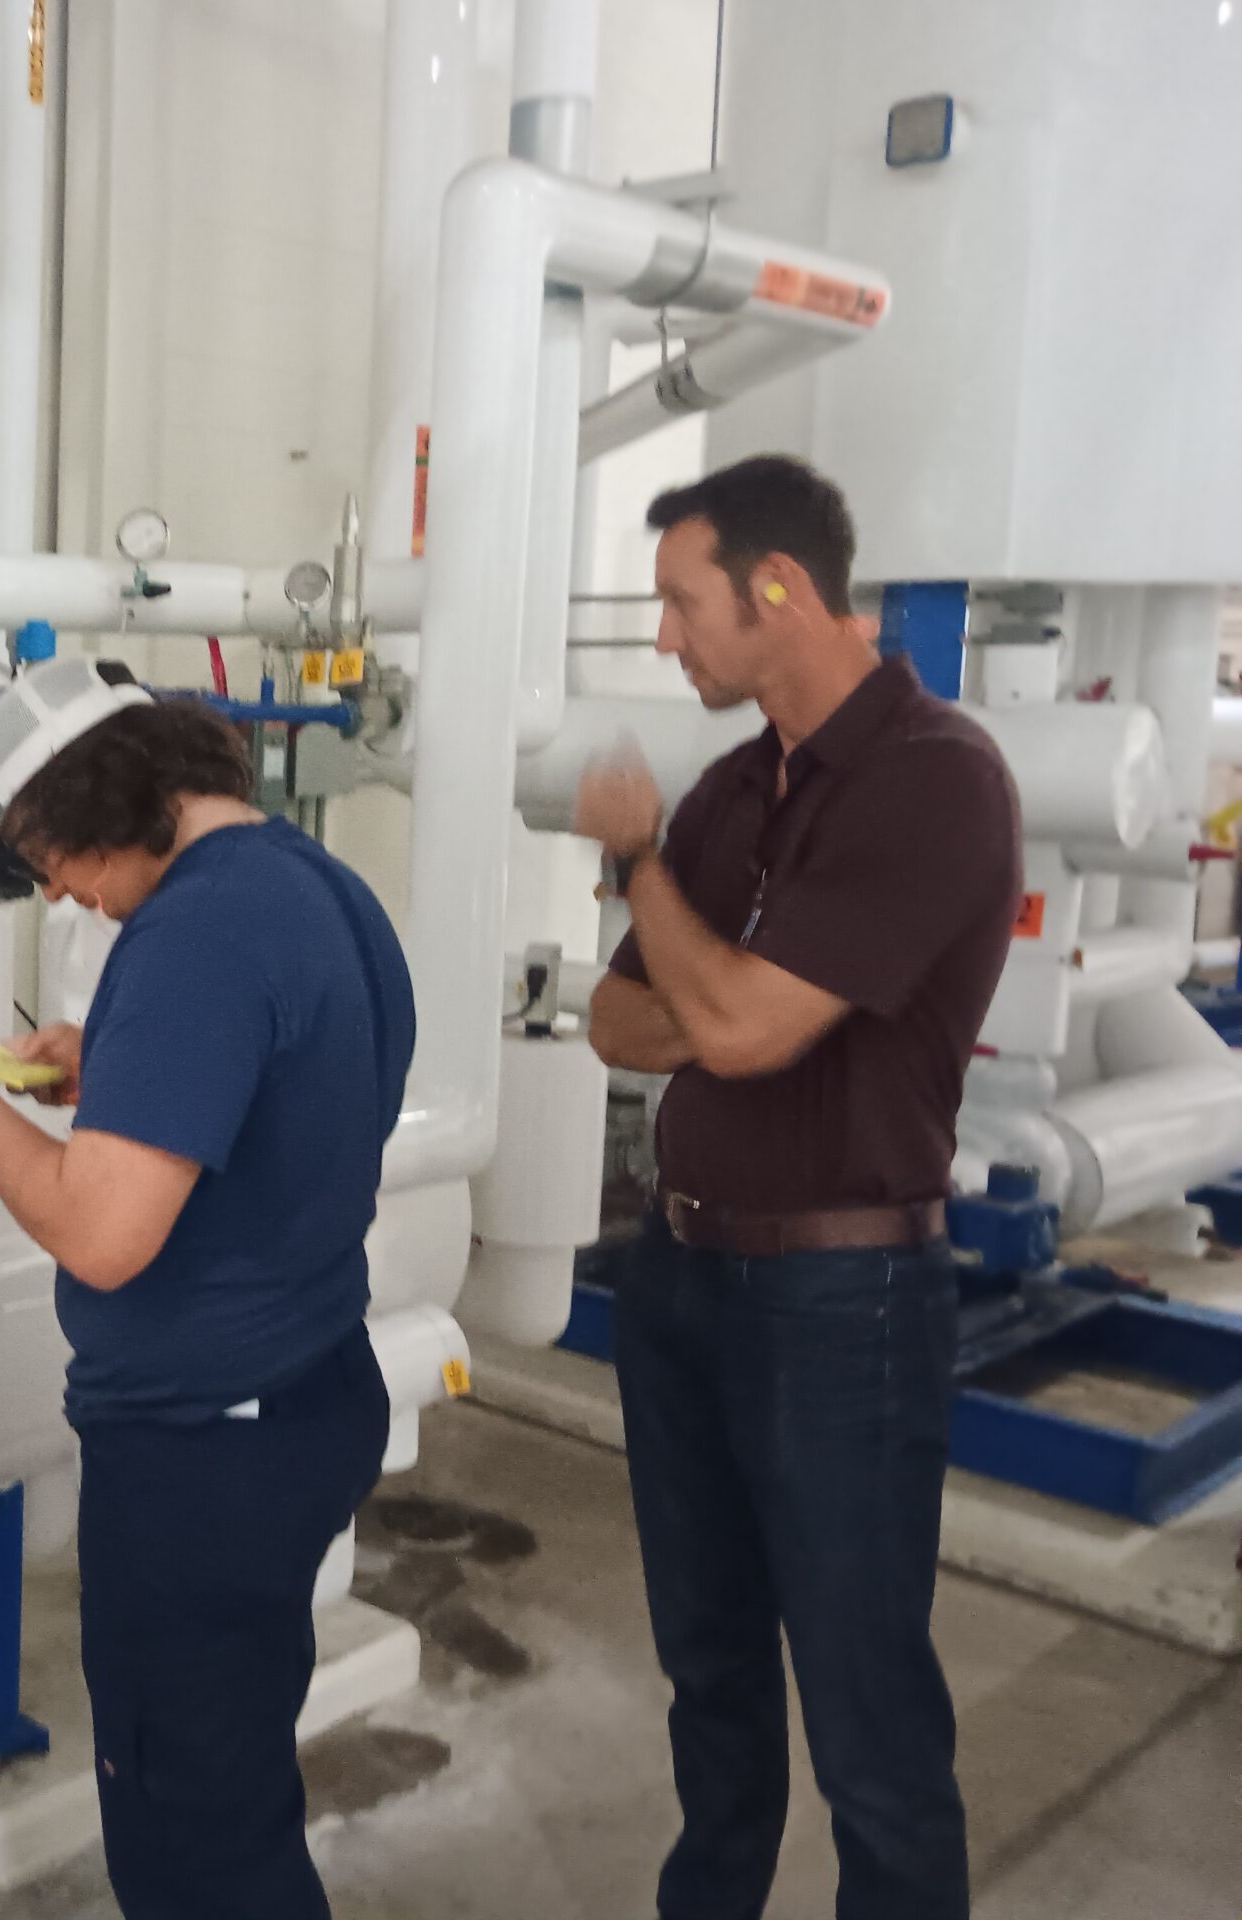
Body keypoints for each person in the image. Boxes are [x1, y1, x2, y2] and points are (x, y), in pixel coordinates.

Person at [0, 657, 412, 1920]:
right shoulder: (318, 887)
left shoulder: (194, 934)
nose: (56, 889)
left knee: (193, 1850)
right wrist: (116, 1072)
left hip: (202, 1461)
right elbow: (298, 1093)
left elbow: (100, 1235)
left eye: (51, 855)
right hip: (304, 1396)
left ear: (107, 802)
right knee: (234, 1787)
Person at [575, 457, 1020, 1920]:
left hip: (843, 1302)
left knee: (862, 1702)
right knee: (708, 1669)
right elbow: (619, 1020)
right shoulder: (733, 790)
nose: (665, 639)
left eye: (679, 602)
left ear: (777, 586)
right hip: (681, 1278)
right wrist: (721, 992)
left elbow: (736, 1029)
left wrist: (639, 865)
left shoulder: (935, 781)